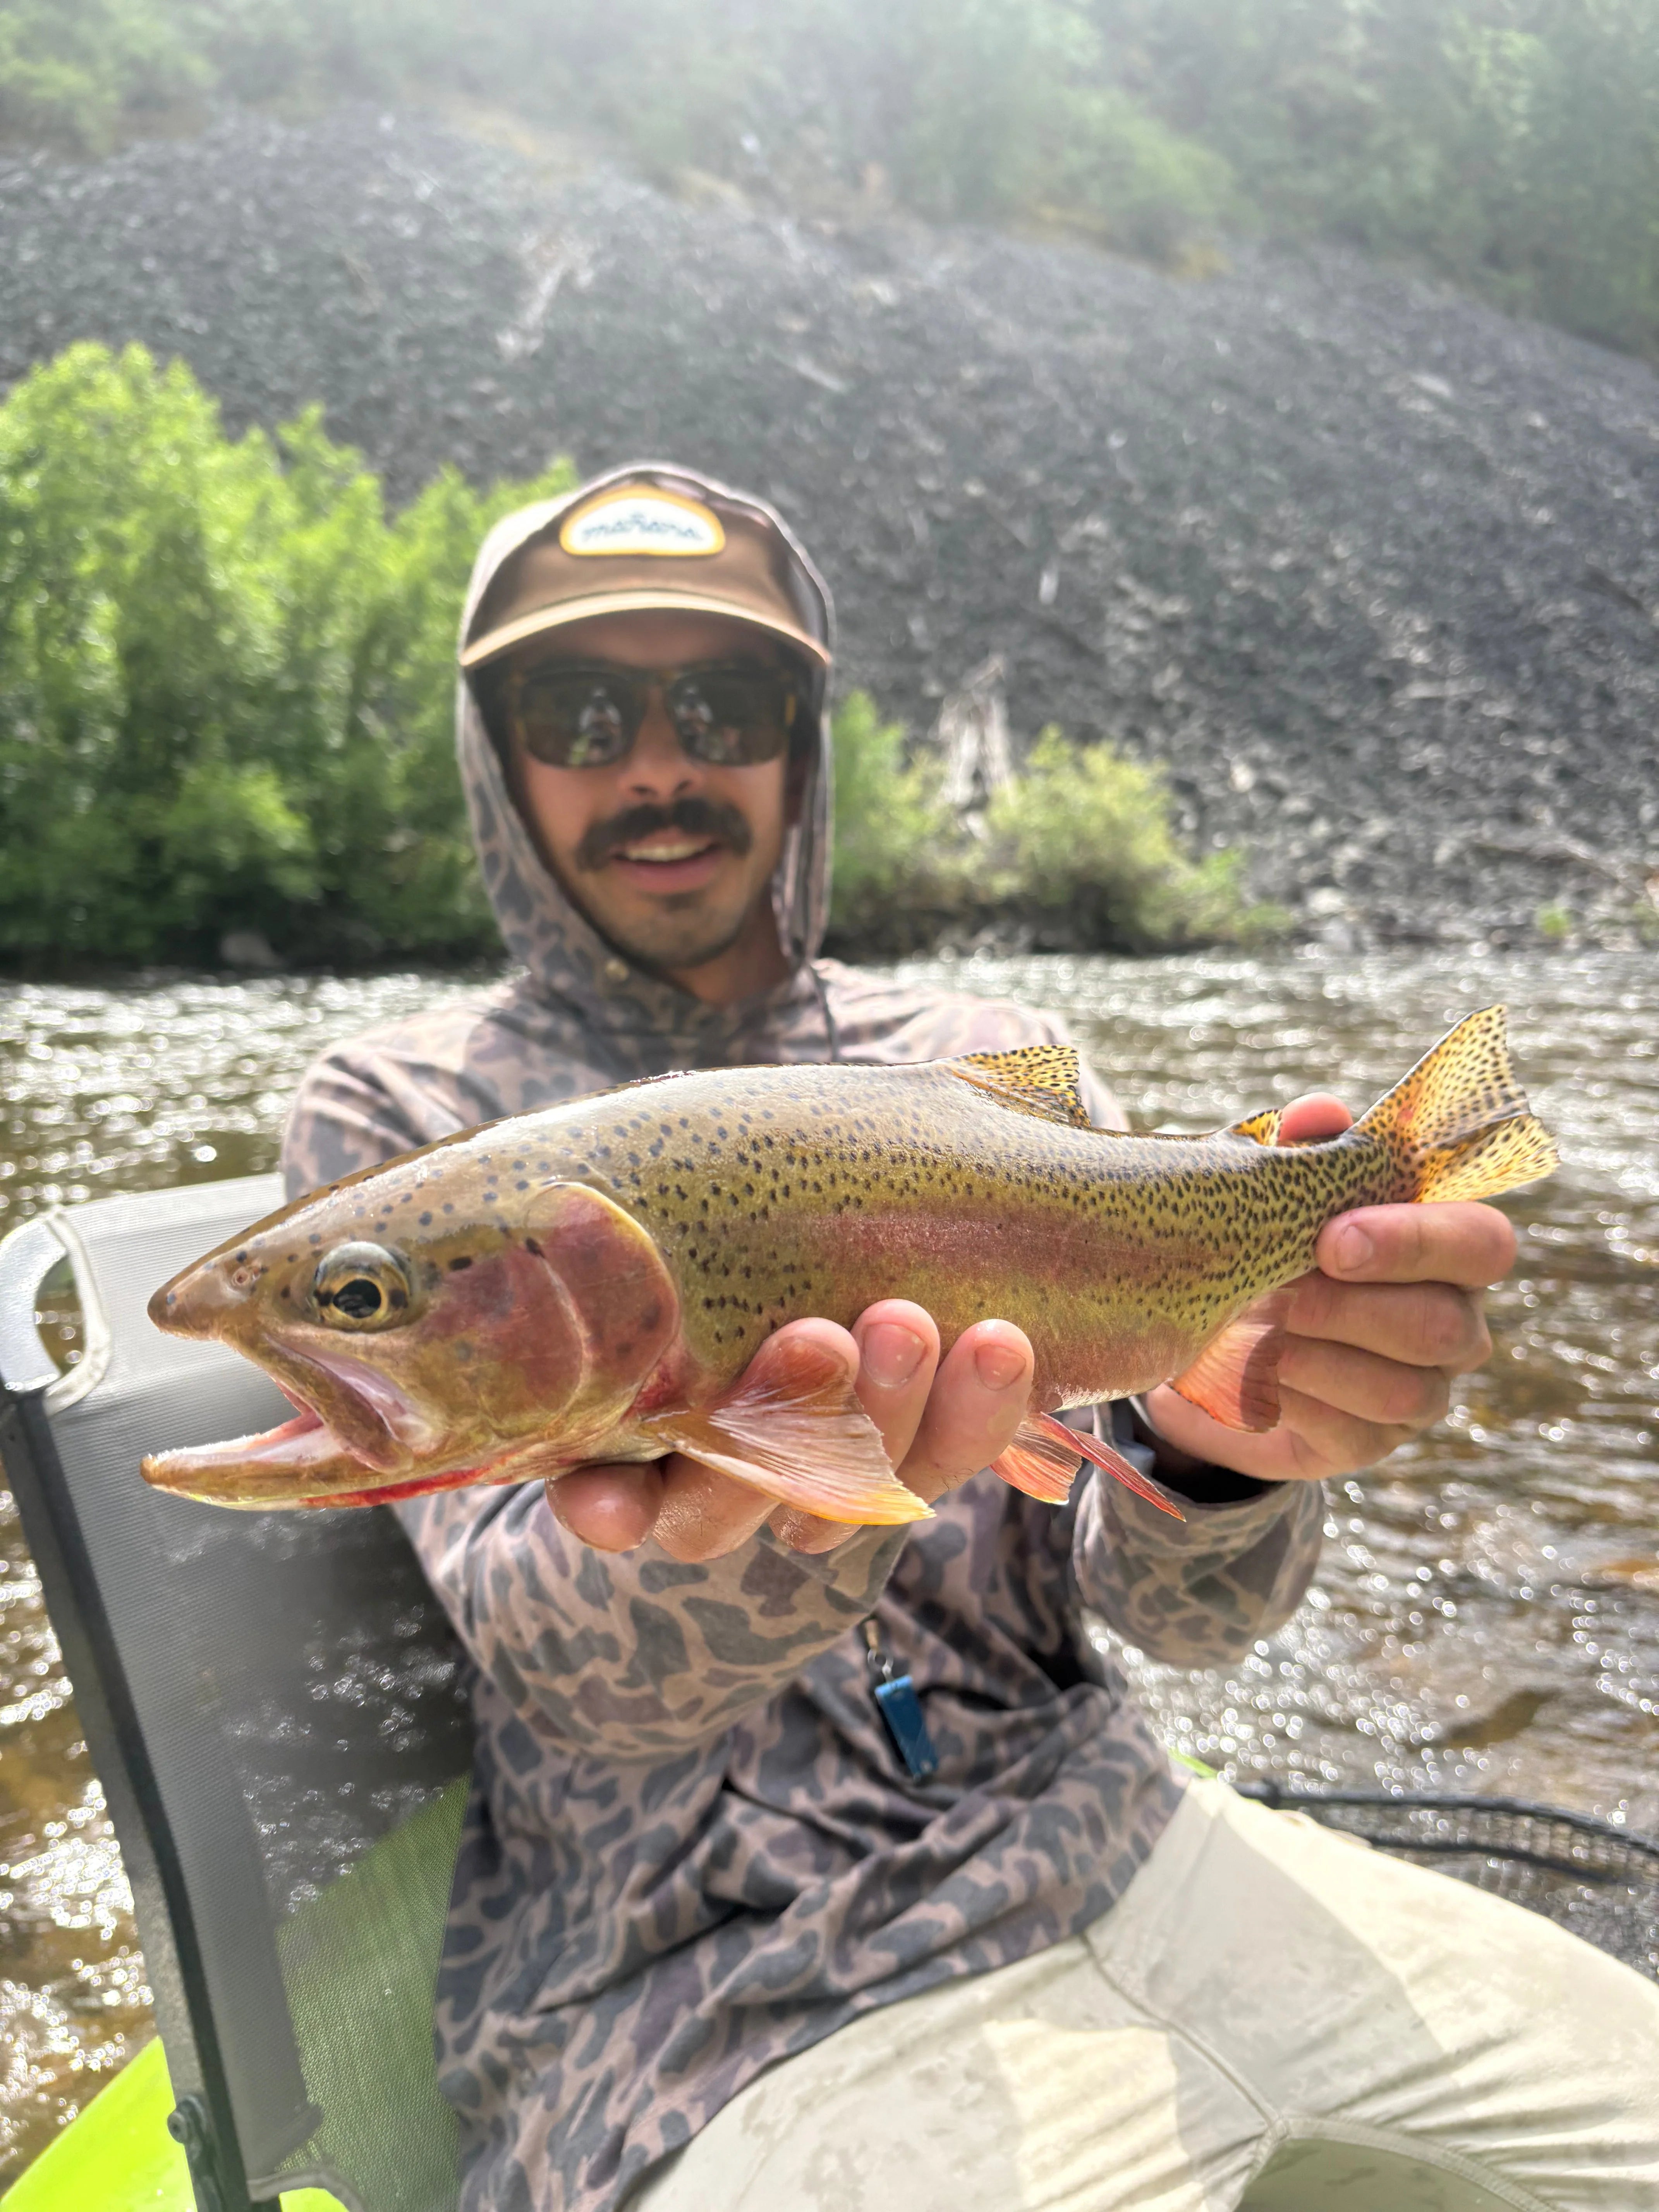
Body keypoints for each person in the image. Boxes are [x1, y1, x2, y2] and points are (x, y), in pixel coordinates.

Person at [282, 465, 1659, 2212]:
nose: (654, 763)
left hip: (1128, 1846)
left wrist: (1225, 1455)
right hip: (700, 1999)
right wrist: (791, 1510)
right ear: (499, 753)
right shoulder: (400, 1135)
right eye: (577, 708)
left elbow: (1180, 1616)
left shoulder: (987, 1057)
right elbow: (573, 1680)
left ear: (802, 737)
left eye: (721, 702)